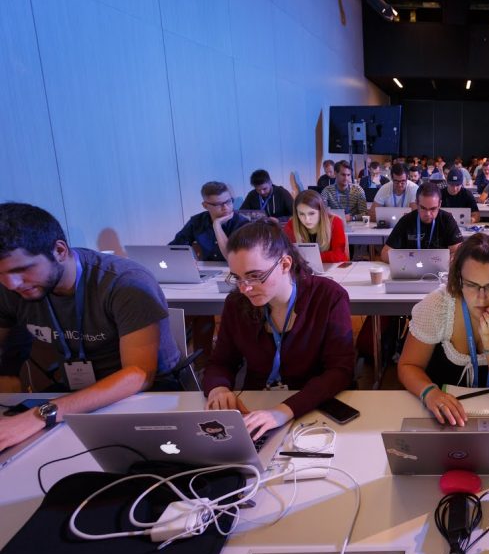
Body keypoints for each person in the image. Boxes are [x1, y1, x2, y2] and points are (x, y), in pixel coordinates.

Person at [0, 203, 182, 449]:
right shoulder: (11, 289)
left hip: (146, 394)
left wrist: (40, 415)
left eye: (22, 269)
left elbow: (139, 375)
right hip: (71, 393)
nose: (12, 284)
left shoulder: (125, 282)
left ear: (59, 250)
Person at [203, 221, 354, 438]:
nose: (245, 288)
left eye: (255, 276)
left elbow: (340, 371)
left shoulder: (328, 296)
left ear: (285, 264)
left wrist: (282, 412)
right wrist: (218, 388)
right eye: (237, 278)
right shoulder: (236, 303)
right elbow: (220, 362)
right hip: (254, 407)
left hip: (312, 407)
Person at [397, 234, 489, 425]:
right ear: (459, 280)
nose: (482, 298)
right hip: (442, 417)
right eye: (471, 285)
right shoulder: (436, 305)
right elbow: (408, 366)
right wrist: (429, 392)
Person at [380, 182, 463, 262]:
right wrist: (406, 260)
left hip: (439, 269)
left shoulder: (447, 220)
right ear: (416, 203)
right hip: (410, 268)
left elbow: (457, 252)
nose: (428, 214)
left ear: (439, 204)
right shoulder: (406, 220)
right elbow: (385, 253)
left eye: (433, 209)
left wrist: (450, 260)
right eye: (423, 208)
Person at [170, 181, 249, 261]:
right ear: (205, 206)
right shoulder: (197, 221)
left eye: (228, 201)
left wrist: (217, 226)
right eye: (218, 204)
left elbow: (232, 258)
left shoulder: (242, 223)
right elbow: (174, 249)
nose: (225, 207)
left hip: (233, 268)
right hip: (207, 267)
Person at [282, 189, 348, 262]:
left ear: (321, 212)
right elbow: (285, 253)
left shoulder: (335, 222)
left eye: (312, 213)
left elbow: (338, 255)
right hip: (305, 267)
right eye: (301, 214)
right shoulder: (291, 225)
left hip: (335, 267)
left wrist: (306, 258)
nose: (307, 219)